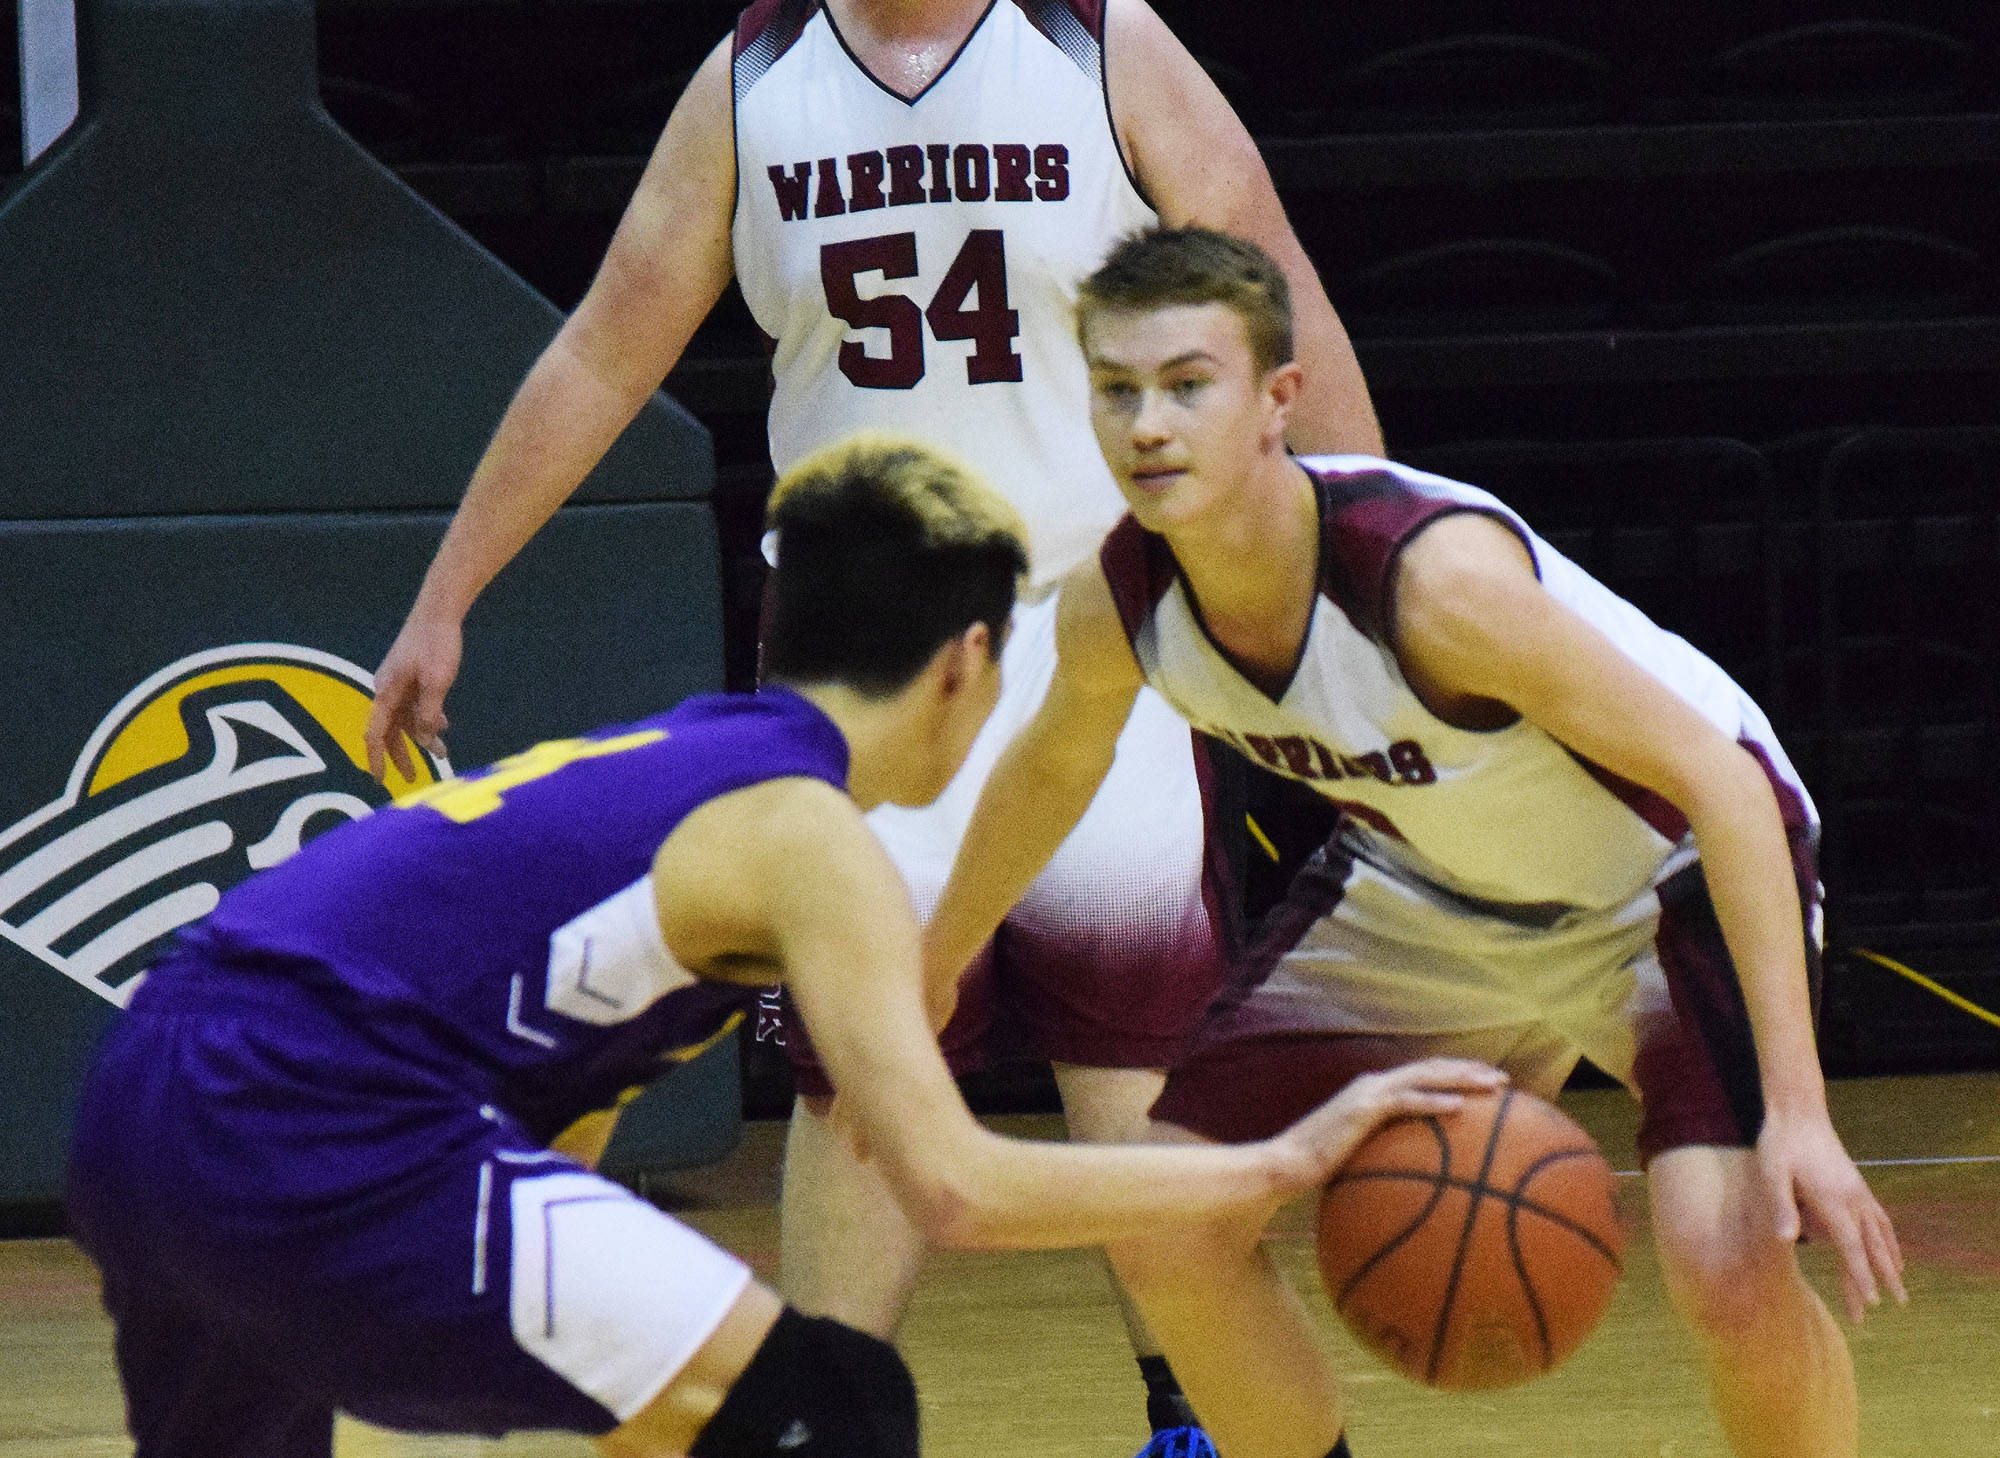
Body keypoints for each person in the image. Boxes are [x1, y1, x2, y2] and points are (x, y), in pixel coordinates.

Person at [361, 0, 1380, 1449]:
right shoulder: (750, 76)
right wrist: (449, 591)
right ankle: (824, 1421)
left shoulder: (1094, 32)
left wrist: (1367, 561)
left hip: (1100, 633)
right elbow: (609, 347)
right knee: (854, 1081)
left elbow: (1270, 275)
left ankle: (1186, 1413)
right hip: (857, 671)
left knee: (1131, 1080)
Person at [68, 436, 1497, 1458]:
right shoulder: (810, 833)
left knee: (694, 1400)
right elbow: (954, 1185)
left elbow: (562, 1134)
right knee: (835, 1411)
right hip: (310, 1112)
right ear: (967, 665)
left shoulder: (673, 756)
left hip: (148, 1092)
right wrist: (1283, 1161)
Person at [921, 229, 1908, 1458]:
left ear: (1278, 398)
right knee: (1162, 1217)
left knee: (1727, 1256)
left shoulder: (1430, 583)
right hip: (1431, 883)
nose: (1147, 424)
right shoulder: (1120, 604)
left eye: (1186, 383)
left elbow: (1721, 783)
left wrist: (1800, 1114)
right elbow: (1050, 770)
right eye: (1116, 389)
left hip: (1660, 877)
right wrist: (936, 957)